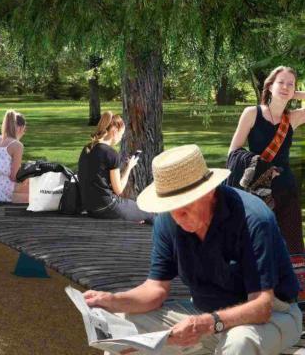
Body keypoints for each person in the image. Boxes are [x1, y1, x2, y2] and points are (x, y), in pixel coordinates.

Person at [82, 144, 302, 354]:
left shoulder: (253, 218)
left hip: (272, 315)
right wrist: (113, 301)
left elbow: (261, 306)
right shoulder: (168, 221)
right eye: (169, 208)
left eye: (184, 207)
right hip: (203, 312)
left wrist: (207, 323)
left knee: (239, 342)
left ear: (208, 193)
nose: (177, 216)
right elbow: (156, 289)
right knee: (124, 326)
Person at [226, 66, 305, 255]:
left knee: (290, 247)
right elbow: (233, 152)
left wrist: (294, 95)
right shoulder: (252, 113)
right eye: (280, 82)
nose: (285, 87)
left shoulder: (292, 118)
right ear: (269, 86)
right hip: (256, 190)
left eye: (290, 84)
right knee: (256, 244)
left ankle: (291, 283)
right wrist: (260, 166)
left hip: (286, 189)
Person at [78, 112, 150, 224]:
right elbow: (119, 190)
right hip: (108, 207)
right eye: (121, 135)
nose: (121, 138)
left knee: (136, 211)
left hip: (91, 209)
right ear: (114, 131)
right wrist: (129, 167)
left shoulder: (87, 148)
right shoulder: (111, 153)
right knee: (148, 211)